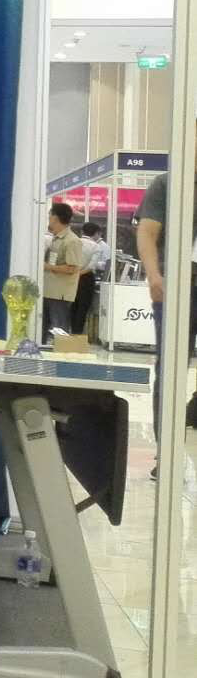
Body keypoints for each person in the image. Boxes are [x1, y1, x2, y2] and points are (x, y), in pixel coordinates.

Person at [134, 172, 197, 478]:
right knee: (171, 369)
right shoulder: (168, 183)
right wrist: (154, 275)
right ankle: (168, 455)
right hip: (179, 285)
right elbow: (147, 231)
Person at [42, 201, 86, 337]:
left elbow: (71, 268)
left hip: (59, 293)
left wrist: (46, 266)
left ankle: (62, 349)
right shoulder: (56, 238)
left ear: (55, 218)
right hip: (49, 290)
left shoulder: (72, 241)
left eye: (49, 216)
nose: (48, 219)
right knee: (43, 328)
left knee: (59, 328)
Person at [68, 221, 107, 336]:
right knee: (83, 307)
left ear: (82, 231)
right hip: (86, 278)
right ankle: (77, 333)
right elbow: (91, 266)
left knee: (73, 305)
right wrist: (80, 273)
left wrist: (74, 273)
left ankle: (70, 330)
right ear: (95, 233)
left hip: (70, 275)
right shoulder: (96, 247)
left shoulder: (74, 242)